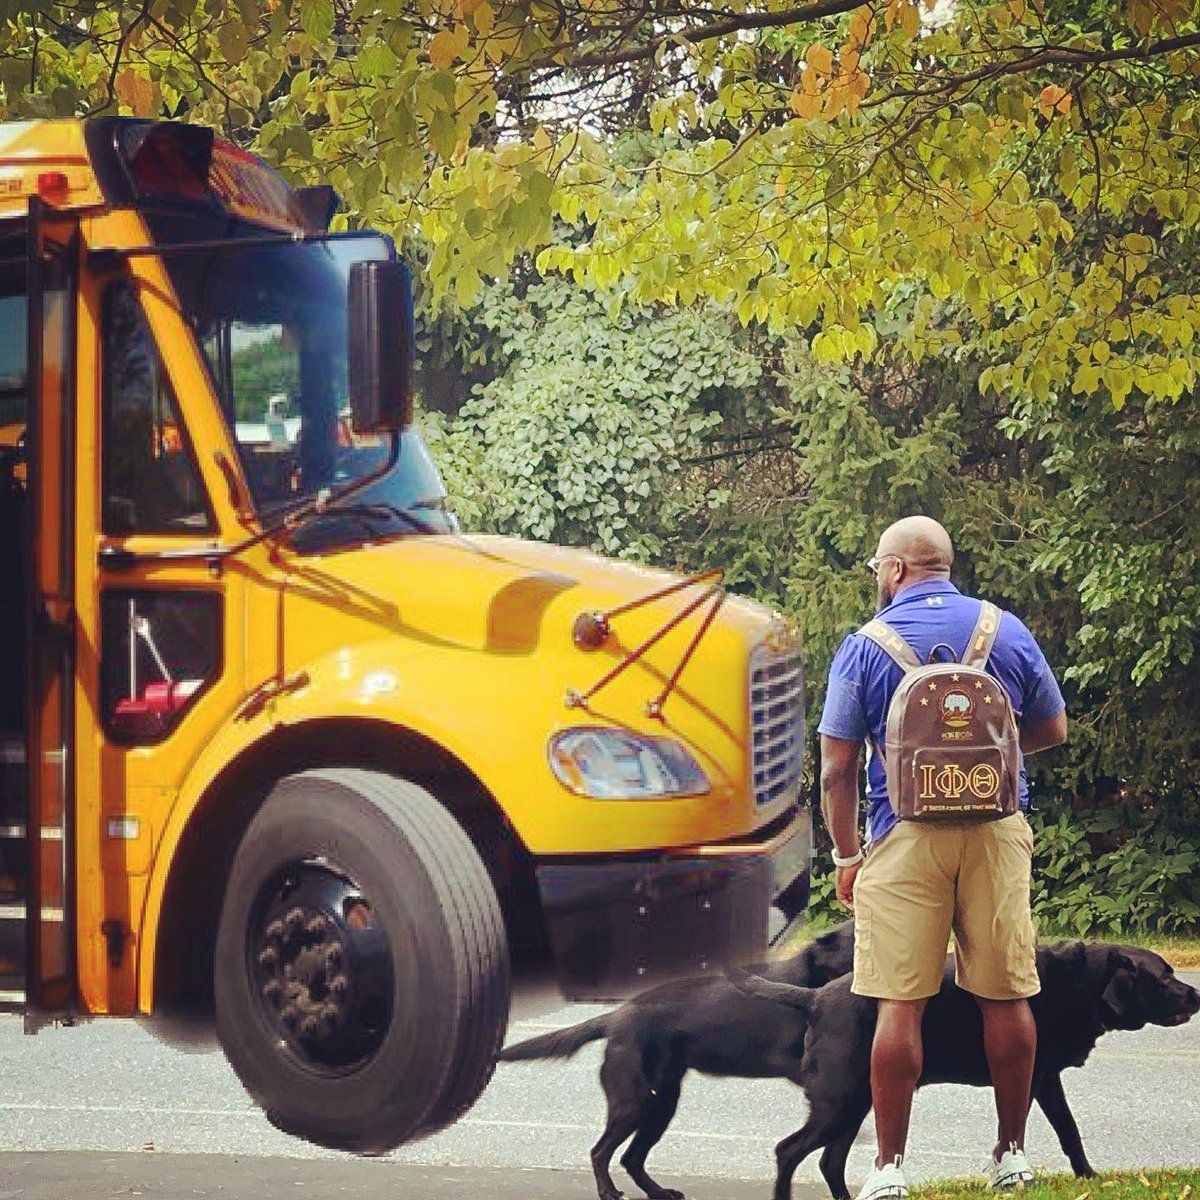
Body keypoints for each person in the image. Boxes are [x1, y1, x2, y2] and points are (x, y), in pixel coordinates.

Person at [818, 516, 1068, 1200]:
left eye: (878, 567)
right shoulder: (1004, 630)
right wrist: (990, 757)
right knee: (1007, 995)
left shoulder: (866, 647)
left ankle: (889, 1169)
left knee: (900, 1005)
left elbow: (836, 767)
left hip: (901, 838)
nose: (878, 576)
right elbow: (1052, 726)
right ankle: (1012, 1154)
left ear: (896, 570)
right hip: (996, 831)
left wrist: (847, 855)